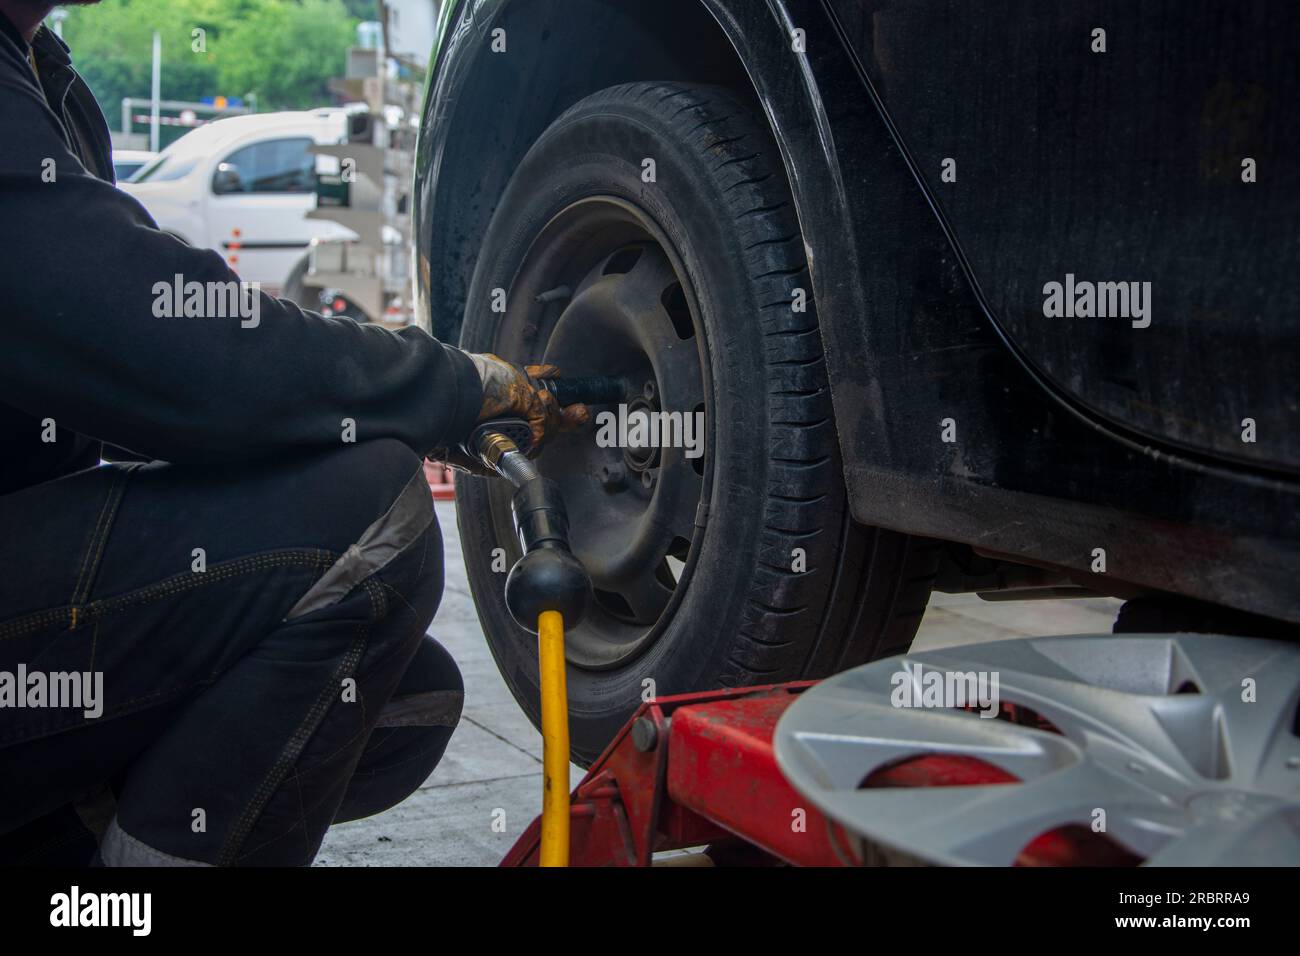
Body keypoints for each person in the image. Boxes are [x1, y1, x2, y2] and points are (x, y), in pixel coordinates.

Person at [0, 0, 586, 865]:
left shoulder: (47, 78)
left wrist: (376, 410)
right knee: (371, 519)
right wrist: (448, 385)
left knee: (397, 698)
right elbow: (171, 346)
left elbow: (121, 391)